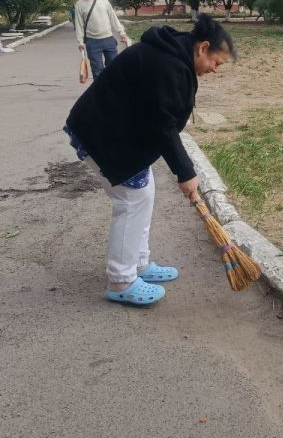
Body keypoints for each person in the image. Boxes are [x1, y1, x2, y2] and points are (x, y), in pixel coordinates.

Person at [64, 15, 236, 306]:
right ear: (203, 48)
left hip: (115, 131)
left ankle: (139, 263)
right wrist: (185, 173)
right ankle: (121, 281)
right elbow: (163, 124)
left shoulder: (173, 54)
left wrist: (183, 171)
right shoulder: (167, 64)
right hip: (99, 133)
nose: (214, 70)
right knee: (132, 200)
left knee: (144, 193)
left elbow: (161, 119)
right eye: (216, 62)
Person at [74, 0, 128, 79]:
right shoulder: (79, 4)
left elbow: (113, 17)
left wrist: (121, 32)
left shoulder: (103, 0)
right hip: (92, 42)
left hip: (108, 40)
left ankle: (113, 87)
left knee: (113, 67)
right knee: (97, 70)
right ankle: (100, 88)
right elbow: (79, 24)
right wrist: (80, 42)